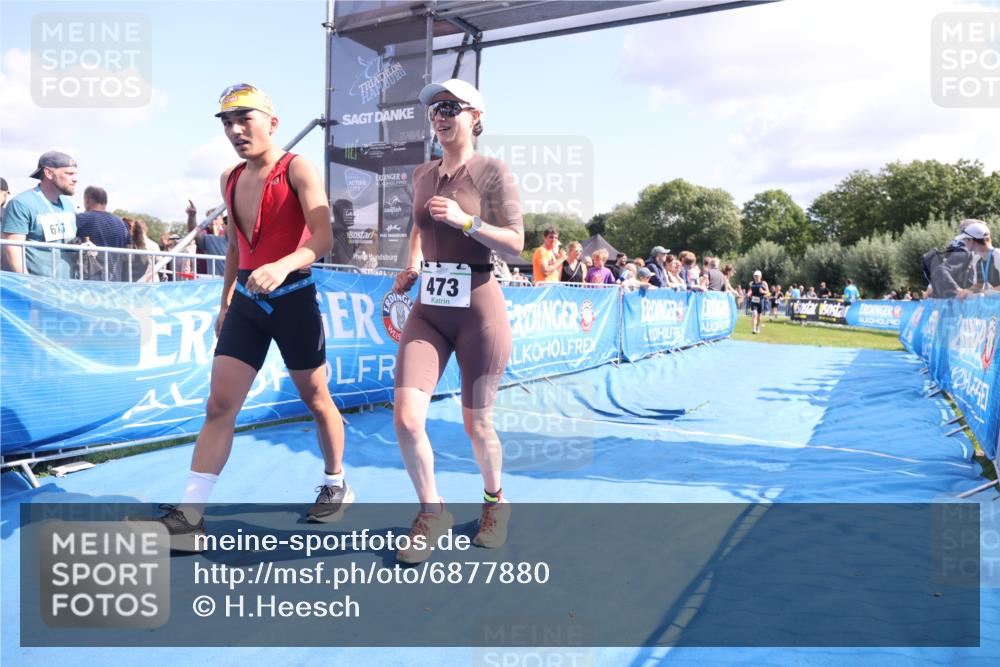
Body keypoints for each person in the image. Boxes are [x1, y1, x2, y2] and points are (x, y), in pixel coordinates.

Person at [137, 84, 349, 550]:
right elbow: (234, 246)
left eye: (244, 120)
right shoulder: (229, 177)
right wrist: (224, 303)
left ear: (272, 122)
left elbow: (323, 237)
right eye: (227, 123)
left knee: (317, 400)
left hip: (293, 299)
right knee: (218, 406)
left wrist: (283, 264)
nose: (235, 131)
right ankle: (191, 516)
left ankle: (336, 481)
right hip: (247, 308)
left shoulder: (298, 167)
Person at [391, 78, 524, 564]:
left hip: (479, 308)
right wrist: (411, 265)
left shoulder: (492, 173)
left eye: (450, 107)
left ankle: (495, 502)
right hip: (430, 307)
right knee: (406, 419)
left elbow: (515, 243)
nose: (440, 115)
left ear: (475, 118)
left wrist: (467, 222)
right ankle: (432, 511)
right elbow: (418, 227)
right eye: (434, 109)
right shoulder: (422, 175)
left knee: (477, 425)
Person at [1, 151, 78, 277]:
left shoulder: (68, 204)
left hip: (66, 288)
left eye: (75, 174)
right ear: (48, 173)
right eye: (69, 173)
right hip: (37, 290)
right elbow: (13, 248)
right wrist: (26, 284)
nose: (75, 179)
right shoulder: (21, 203)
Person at [75, 186, 130, 281]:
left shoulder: (81, 219)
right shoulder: (122, 224)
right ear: (105, 201)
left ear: (87, 199)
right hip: (115, 281)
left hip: (89, 281)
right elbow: (130, 255)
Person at [186, 200, 230, 277]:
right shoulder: (210, 239)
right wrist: (192, 216)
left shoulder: (244, 243)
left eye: (216, 218)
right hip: (209, 279)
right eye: (210, 218)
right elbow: (194, 234)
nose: (213, 221)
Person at [956, 221, 999, 297]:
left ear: (971, 241)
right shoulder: (977, 259)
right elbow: (979, 285)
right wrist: (966, 291)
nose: (964, 242)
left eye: (964, 239)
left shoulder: (998, 255)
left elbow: (984, 292)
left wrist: (987, 293)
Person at [748, 269, 770, 334]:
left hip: (761, 301)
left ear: (760, 276)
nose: (756, 277)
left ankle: (757, 327)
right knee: (754, 314)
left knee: (759, 316)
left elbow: (768, 292)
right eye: (755, 276)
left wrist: (763, 291)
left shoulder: (763, 283)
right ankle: (754, 329)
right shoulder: (751, 283)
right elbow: (750, 290)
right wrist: (749, 294)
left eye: (757, 276)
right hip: (753, 301)